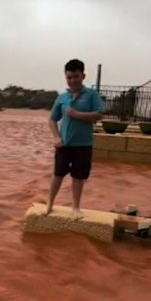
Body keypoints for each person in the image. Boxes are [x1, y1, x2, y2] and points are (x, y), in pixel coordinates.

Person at [46, 59, 105, 219]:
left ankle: (76, 207)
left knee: (78, 177)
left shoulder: (92, 95)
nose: (73, 80)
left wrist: (77, 115)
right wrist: (56, 137)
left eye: (76, 76)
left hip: (84, 145)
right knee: (57, 174)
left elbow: (99, 114)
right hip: (64, 145)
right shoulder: (62, 97)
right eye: (69, 77)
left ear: (83, 76)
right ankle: (49, 204)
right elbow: (52, 120)